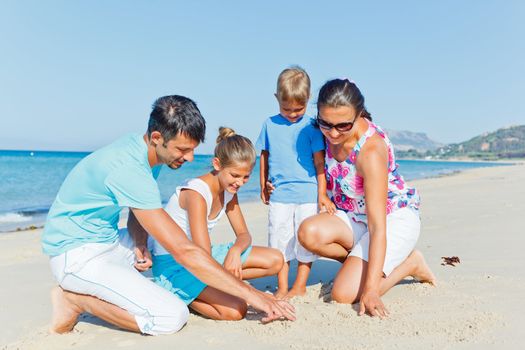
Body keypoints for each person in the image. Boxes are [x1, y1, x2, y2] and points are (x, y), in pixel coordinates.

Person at [42, 95, 295, 336]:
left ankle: (157, 281)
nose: (190, 157)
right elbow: (186, 250)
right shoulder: (130, 168)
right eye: (183, 149)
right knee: (170, 318)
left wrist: (140, 242)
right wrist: (255, 296)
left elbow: (135, 208)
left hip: (110, 239)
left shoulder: (141, 151)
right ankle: (74, 300)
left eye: (193, 149)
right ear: (156, 137)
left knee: (161, 250)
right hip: (76, 255)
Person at [298, 78, 436, 318]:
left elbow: (378, 226)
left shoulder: (370, 152)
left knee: (342, 295)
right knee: (308, 233)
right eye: (325, 123)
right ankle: (359, 265)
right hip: (355, 217)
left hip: (392, 218)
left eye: (342, 125)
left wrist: (371, 290)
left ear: (359, 114)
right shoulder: (325, 132)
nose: (332, 133)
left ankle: (410, 264)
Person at [151, 127, 284, 320]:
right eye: (235, 175)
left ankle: (212, 289)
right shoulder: (197, 193)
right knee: (236, 310)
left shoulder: (229, 190)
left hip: (203, 256)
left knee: (275, 260)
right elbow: (202, 255)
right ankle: (178, 292)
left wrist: (235, 251)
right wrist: (251, 293)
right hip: (176, 265)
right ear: (217, 164)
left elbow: (244, 235)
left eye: (246, 176)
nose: (240, 182)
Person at [256, 67, 335, 299]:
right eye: (286, 108)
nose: (292, 114)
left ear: (308, 100)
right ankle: (282, 286)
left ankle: (300, 285)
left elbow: (320, 164)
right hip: (280, 194)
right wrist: (263, 184)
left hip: (308, 194)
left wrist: (323, 194)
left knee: (304, 242)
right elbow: (264, 156)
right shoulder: (269, 124)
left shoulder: (311, 126)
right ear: (276, 99)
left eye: (298, 109)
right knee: (278, 240)